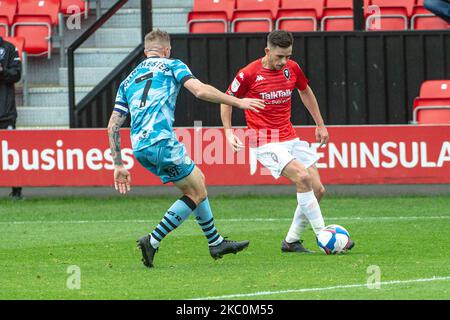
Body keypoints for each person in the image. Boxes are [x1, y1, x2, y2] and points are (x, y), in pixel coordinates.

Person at [107, 29, 265, 268]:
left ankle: (215, 242)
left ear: (145, 52)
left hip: (139, 148)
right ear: (167, 50)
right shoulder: (172, 65)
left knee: (198, 180)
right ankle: (153, 240)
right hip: (162, 142)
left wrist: (118, 165)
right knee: (196, 193)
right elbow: (200, 90)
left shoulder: (127, 81)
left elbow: (112, 126)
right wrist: (238, 101)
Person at [221, 30, 354, 254]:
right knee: (302, 177)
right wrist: (227, 131)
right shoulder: (248, 74)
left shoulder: (292, 68)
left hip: (289, 136)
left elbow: (305, 91)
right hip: (263, 140)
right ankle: (323, 235)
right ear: (267, 51)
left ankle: (291, 241)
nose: (284, 61)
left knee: (318, 189)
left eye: (288, 56)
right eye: (279, 56)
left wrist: (320, 124)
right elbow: (226, 100)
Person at [0, 36, 23, 200]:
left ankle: (16, 191)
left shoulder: (9, 48)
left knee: (11, 153)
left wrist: (2, 71)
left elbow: (16, 74)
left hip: (5, 111)